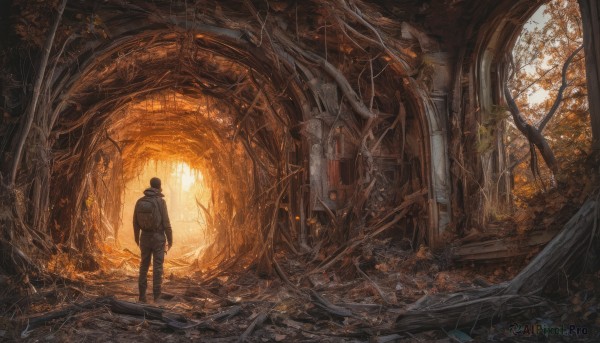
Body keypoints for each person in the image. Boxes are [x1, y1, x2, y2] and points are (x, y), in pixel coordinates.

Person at [133, 177, 173, 302]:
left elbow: (135, 222)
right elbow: (166, 222)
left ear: (150, 185)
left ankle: (142, 296)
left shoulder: (140, 201)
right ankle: (157, 296)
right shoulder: (160, 202)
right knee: (158, 267)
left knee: (143, 265)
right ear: (159, 186)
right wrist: (170, 239)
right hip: (158, 237)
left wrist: (136, 238)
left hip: (144, 237)